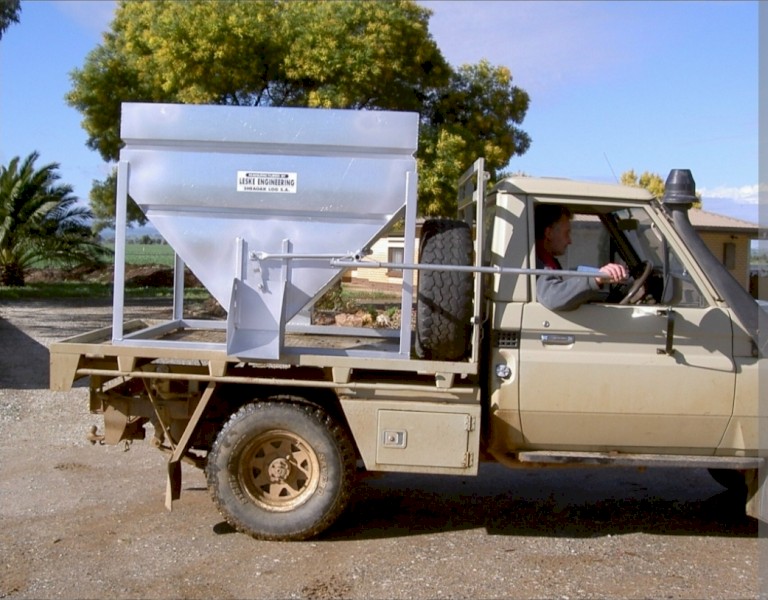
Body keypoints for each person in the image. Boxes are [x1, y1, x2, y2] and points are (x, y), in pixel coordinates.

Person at [534, 204, 628, 311]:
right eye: (566, 233)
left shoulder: (546, 260)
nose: (569, 241)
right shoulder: (538, 263)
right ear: (549, 233)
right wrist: (596, 278)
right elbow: (552, 298)